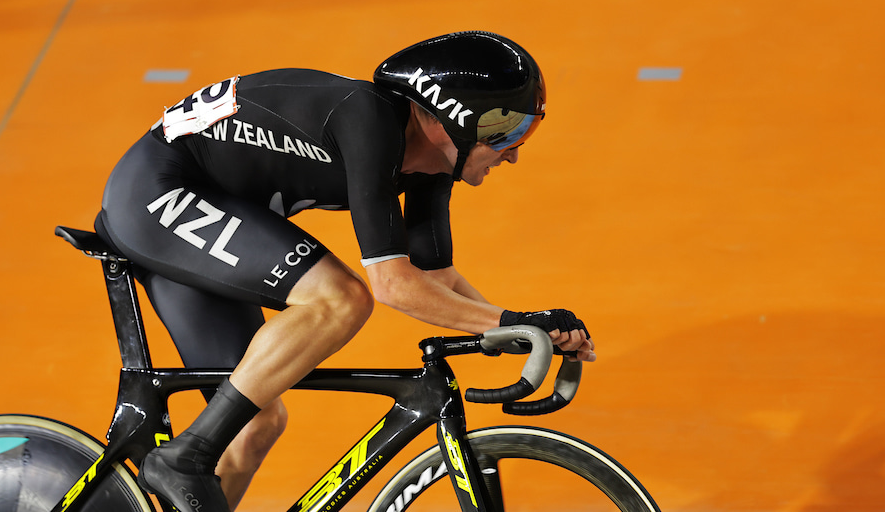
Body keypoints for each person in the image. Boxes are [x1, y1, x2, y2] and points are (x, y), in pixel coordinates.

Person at [94, 30, 596, 512]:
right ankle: (187, 455)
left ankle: (192, 455)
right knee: (341, 297)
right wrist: (509, 322)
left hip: (206, 210)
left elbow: (435, 282)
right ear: (450, 120)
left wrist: (523, 329)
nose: (514, 150)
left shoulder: (431, 166)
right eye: (505, 130)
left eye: (525, 131)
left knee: (252, 424)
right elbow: (392, 286)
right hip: (156, 194)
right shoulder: (369, 121)